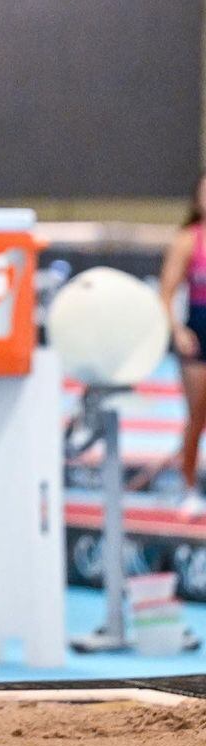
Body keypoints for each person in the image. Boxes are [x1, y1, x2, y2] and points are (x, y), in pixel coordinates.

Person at [160, 172, 206, 517]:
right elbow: (165, 293)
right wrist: (177, 330)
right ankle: (187, 484)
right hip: (198, 334)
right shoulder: (188, 241)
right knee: (198, 416)